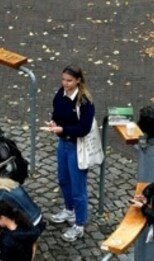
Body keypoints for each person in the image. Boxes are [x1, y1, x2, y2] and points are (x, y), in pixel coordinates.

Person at [45, 65, 96, 242]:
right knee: (63, 179)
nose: (65, 84)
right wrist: (54, 122)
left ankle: (80, 223)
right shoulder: (62, 93)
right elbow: (57, 110)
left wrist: (63, 129)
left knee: (78, 187)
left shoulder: (85, 102)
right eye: (64, 80)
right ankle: (69, 209)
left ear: (78, 80)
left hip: (77, 146)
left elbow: (84, 128)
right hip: (64, 143)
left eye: (69, 81)